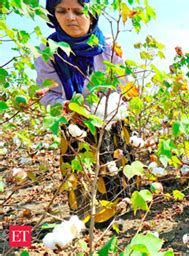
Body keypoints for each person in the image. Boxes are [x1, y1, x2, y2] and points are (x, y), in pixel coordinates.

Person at [35, 0, 134, 216]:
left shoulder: (108, 45)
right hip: (73, 124)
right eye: (62, 11)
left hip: (110, 120)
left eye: (78, 11)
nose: (70, 17)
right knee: (81, 178)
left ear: (92, 15)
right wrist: (66, 107)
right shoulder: (47, 50)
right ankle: (90, 221)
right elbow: (46, 94)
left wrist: (109, 104)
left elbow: (125, 84)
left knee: (116, 170)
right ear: (53, 16)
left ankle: (123, 211)